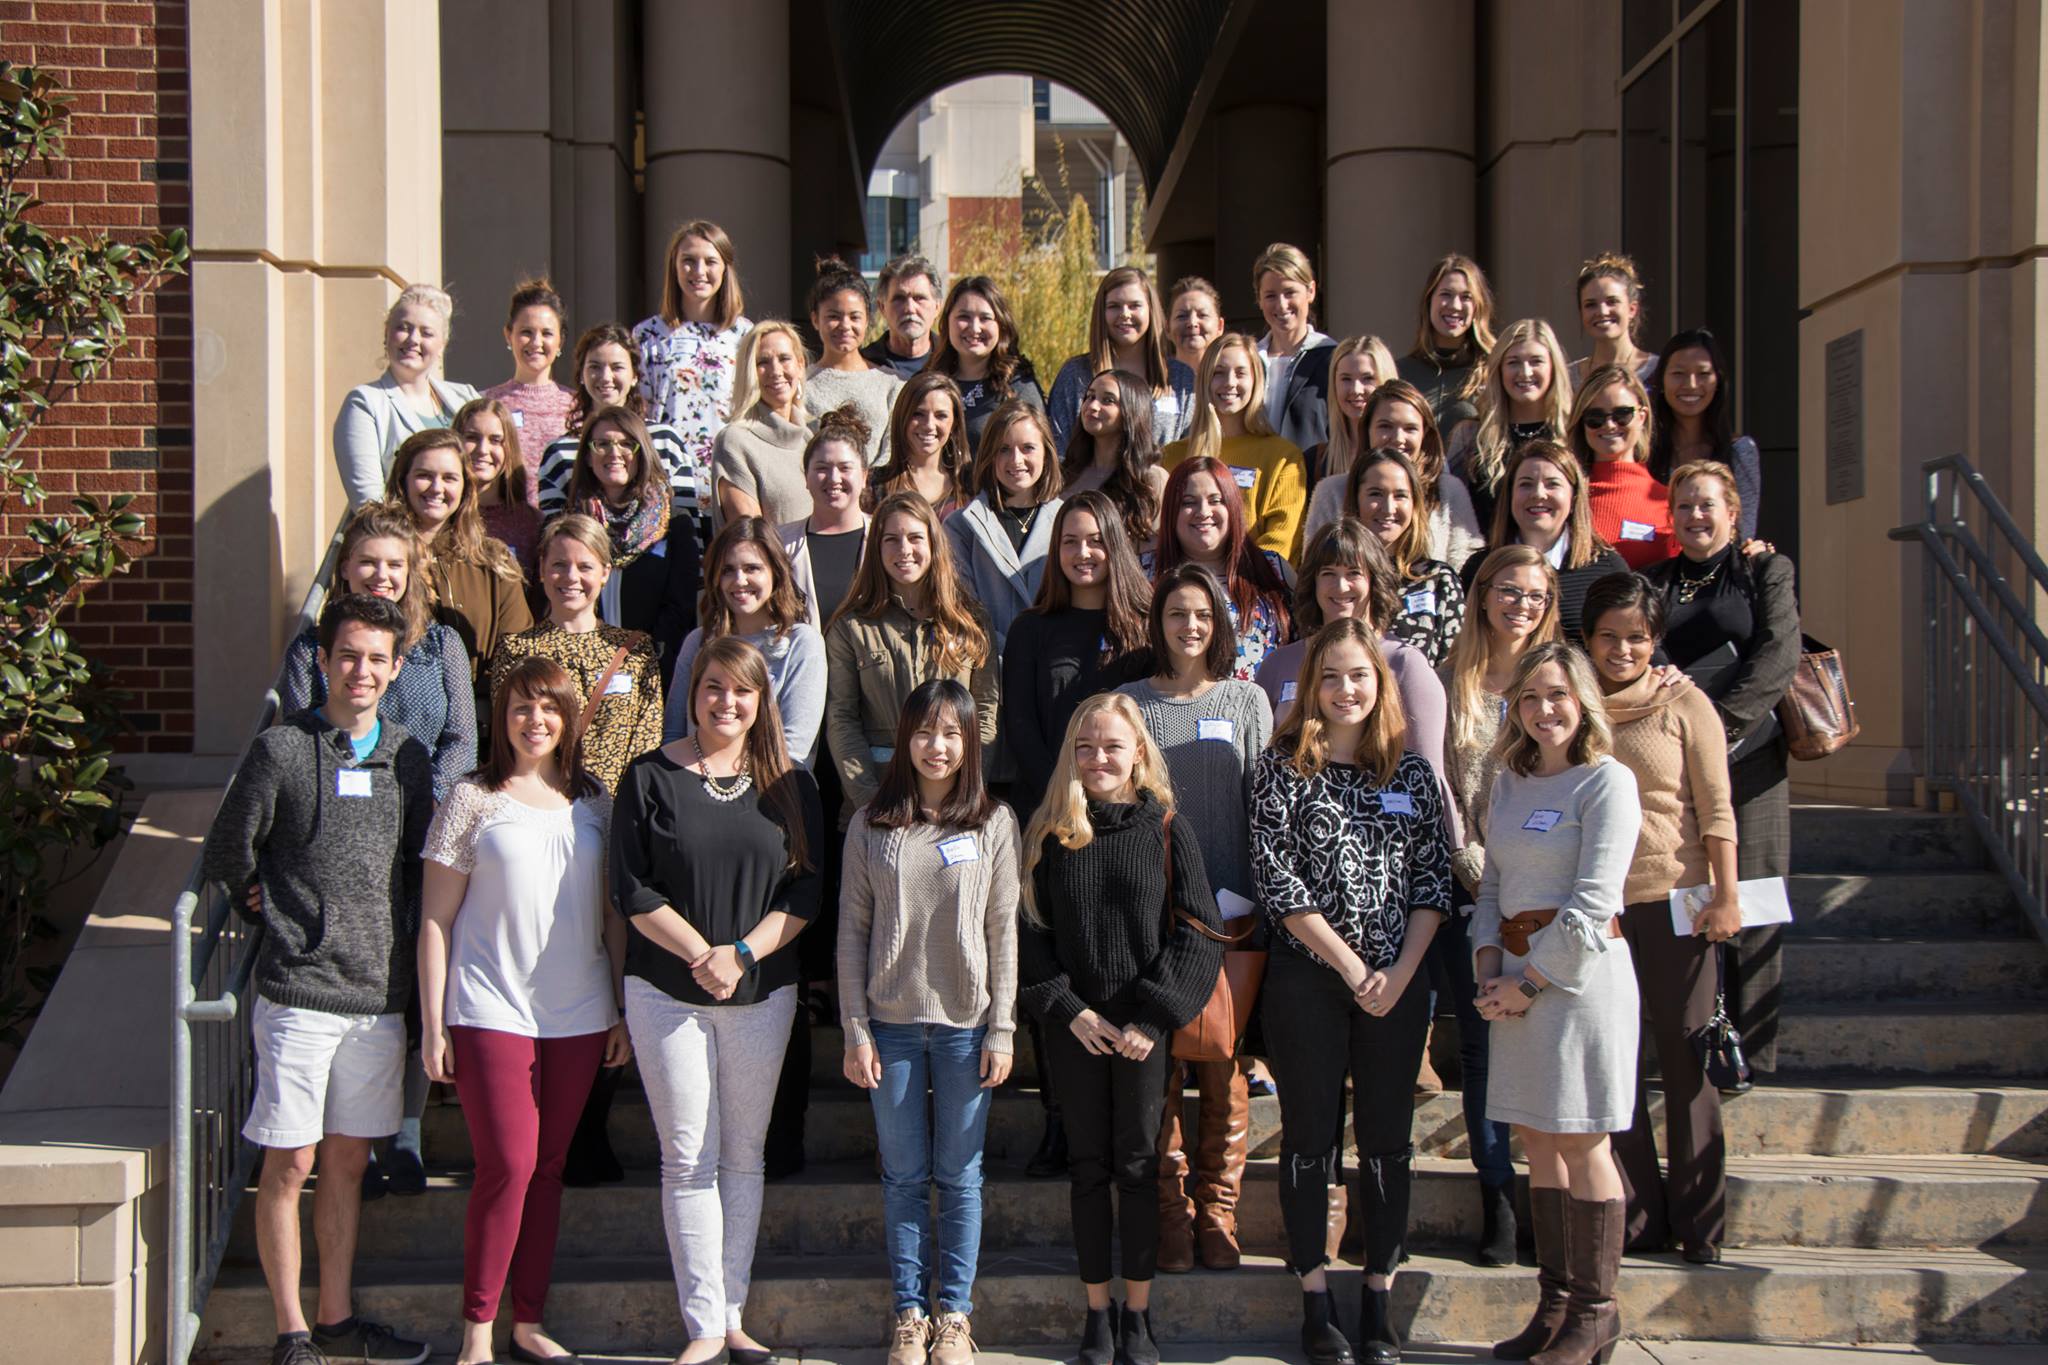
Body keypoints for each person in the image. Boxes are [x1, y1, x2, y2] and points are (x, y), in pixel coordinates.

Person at [202, 593, 433, 1365]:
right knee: (289, 1159)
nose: (360, 669)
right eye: (348, 654)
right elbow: (231, 848)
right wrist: (258, 897)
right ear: (325, 659)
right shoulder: (281, 750)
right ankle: (290, 1330)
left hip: (376, 998)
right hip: (299, 990)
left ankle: (334, 1317)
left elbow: (413, 871)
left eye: (376, 657)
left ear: (396, 667)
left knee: (344, 1161)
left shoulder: (407, 757)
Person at [613, 636, 823, 1365]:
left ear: (761, 700)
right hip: (666, 991)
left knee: (742, 1154)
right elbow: (632, 886)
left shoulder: (792, 783)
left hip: (761, 991)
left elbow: (806, 888)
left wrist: (740, 954)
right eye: (711, 687)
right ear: (692, 692)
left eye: (740, 691)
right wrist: (701, 953)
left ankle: (732, 1311)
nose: (724, 702)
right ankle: (703, 1321)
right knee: (687, 1156)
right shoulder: (647, 776)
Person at [417, 656, 630, 1365]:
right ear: (499, 715)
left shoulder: (595, 800)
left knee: (548, 1165)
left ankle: (527, 1318)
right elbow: (436, 921)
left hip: (579, 1010)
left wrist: (621, 1009)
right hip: (489, 1007)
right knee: (507, 1162)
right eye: (519, 706)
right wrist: (433, 1020)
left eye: (548, 708)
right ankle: (477, 1327)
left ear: (569, 719)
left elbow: (612, 916)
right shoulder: (471, 799)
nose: (534, 720)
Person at [1254, 618, 1452, 1365]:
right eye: (1330, 677)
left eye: (1359, 676)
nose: (1345, 689)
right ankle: (1315, 1297)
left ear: (1382, 686)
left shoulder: (1410, 773)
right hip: (1310, 976)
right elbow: (1280, 880)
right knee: (1310, 1139)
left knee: (1386, 1141)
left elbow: (1434, 883)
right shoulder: (1280, 768)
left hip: (1399, 980)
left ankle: (1378, 1295)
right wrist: (1346, 963)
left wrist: (1397, 974)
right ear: (1311, 688)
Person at [1018, 692, 1226, 1365]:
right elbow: (1028, 934)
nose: (1099, 758)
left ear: (1138, 751)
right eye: (1086, 747)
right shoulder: (1051, 832)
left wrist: (1154, 1014)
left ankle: (1138, 1315)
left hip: (1142, 1031)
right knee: (1087, 1168)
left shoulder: (1166, 827)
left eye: (1112, 745)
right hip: (1075, 1030)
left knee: (1138, 1166)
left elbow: (1199, 929)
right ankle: (1095, 1313)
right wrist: (1067, 1009)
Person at [838, 680, 1020, 1365]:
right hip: (889, 1025)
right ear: (905, 738)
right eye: (923, 731)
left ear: (970, 741)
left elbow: (1003, 928)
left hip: (966, 1025)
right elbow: (851, 930)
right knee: (905, 1176)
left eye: (951, 733)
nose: (936, 746)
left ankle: (955, 1316)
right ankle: (910, 1313)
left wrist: (1002, 1026)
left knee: (961, 1174)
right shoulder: (872, 821)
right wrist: (855, 1027)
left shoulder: (992, 822)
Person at [1473, 643, 1643, 1365]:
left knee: (1582, 1138)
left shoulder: (1607, 783)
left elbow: (1594, 901)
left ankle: (1597, 1311)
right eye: (1533, 697)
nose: (1546, 710)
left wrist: (1530, 983)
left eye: (1559, 695)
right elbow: (1490, 884)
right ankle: (1554, 1306)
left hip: (1576, 982)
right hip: (1510, 977)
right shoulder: (1507, 781)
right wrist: (1488, 967)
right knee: (1537, 1138)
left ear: (1583, 701)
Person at [1117, 564, 1274, 1274]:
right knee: (1167, 1063)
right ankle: (1172, 1213)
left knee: (1225, 1066)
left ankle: (1219, 1212)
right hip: (1158, 908)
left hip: (1235, 909)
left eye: (1204, 615)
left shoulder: (1246, 700)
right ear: (1159, 622)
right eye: (1177, 613)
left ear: (1221, 625)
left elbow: (1266, 805)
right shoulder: (1129, 703)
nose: (1190, 626)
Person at [1581, 573, 1741, 1265]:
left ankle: (1701, 1223)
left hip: (1677, 900)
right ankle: (1640, 1216)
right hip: (1600, 910)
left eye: (1637, 636)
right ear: (1587, 637)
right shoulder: (1573, 704)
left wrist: (1726, 895)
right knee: (1616, 1063)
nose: (1623, 649)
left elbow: (1716, 805)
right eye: (1609, 635)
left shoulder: (1683, 700)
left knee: (1685, 1064)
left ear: (1656, 639)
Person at [1646, 460, 1801, 1076]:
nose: (1695, 516)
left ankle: (1754, 1052)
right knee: (1688, 899)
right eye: (1684, 506)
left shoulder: (1764, 570)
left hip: (1752, 757)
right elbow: (1647, 651)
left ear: (1733, 514)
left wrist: (1722, 729)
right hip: (1676, 762)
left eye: (1707, 504)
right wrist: (1687, 737)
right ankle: (1698, 1038)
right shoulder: (1655, 582)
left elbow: (1778, 652)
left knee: (1754, 904)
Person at [1437, 544, 1561, 1266]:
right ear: (1483, 596)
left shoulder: (1560, 684)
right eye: (1509, 590)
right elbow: (1447, 788)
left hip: (1547, 896)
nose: (1521, 603)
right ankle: (1499, 1198)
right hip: (1472, 887)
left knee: (1544, 1041)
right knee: (1483, 1045)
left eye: (1537, 594)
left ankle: (1552, 1195)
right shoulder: (1452, 682)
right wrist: (1479, 870)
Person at [280, 501, 475, 804]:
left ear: (410, 571)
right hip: (340, 805)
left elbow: (462, 741)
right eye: (368, 562)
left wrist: (425, 798)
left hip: (423, 809)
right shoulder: (311, 650)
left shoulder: (441, 644)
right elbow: (300, 739)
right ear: (345, 567)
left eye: (395, 564)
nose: (381, 575)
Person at [825, 491, 1000, 815]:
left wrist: (968, 789)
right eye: (891, 539)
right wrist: (869, 800)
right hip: (880, 800)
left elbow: (985, 711)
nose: (904, 550)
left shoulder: (970, 622)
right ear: (876, 549)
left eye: (915, 538)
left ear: (934, 544)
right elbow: (841, 718)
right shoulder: (852, 627)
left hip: (955, 802)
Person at [1256, 519, 1449, 791]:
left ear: (1374, 580)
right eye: (1328, 573)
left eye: (1354, 573)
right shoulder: (1279, 665)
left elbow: (1431, 780)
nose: (1341, 586)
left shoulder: (1405, 665)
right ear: (1312, 581)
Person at [489, 514, 665, 796]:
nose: (571, 577)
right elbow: (511, 737)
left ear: (605, 573)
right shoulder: (517, 651)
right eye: (559, 565)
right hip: (543, 804)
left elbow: (647, 738)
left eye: (585, 567)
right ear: (543, 569)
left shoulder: (634, 650)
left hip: (618, 808)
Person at [1003, 492, 1153, 817]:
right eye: (1070, 542)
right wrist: (1063, 799)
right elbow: (1021, 727)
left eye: (1095, 540)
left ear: (1114, 544)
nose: (1082, 553)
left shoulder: (1145, 630)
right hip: (1049, 811)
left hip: (1125, 812)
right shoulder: (1029, 629)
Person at [385, 426, 533, 730]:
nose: (436, 488)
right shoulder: (380, 558)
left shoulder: (494, 561)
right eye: (424, 475)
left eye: (449, 478)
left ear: (466, 488)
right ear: (404, 481)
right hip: (389, 719)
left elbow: (516, 653)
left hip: (475, 727)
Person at [665, 518, 826, 769]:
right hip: (693, 788)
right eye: (728, 570)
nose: (739, 580)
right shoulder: (697, 642)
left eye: (752, 568)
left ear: (776, 571)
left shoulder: (802, 643)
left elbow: (794, 748)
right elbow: (674, 735)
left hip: (771, 792)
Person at [538, 322, 710, 554]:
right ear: (581, 375)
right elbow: (552, 540)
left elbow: (689, 529)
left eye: (617, 367)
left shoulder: (665, 442)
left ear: (635, 376)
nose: (605, 377)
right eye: (595, 367)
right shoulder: (558, 453)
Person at [558, 405, 702, 676]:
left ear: (642, 452)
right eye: (602, 444)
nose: (614, 453)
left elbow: (679, 609)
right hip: (582, 669)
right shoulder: (569, 525)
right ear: (588, 456)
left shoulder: (674, 524)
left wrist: (637, 659)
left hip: (653, 671)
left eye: (627, 444)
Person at [1159, 332, 1309, 559]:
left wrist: (1232, 583)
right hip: (1184, 587)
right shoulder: (1171, 457)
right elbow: (1159, 534)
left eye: (1240, 373)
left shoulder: (1283, 458)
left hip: (1252, 586)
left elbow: (1280, 543)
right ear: (1204, 380)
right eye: (1218, 373)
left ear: (1256, 381)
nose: (1229, 382)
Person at [633, 219, 754, 497]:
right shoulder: (648, 335)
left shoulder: (745, 335)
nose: (699, 271)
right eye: (688, 260)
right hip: (666, 483)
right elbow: (639, 415)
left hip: (730, 481)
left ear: (725, 268)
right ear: (674, 267)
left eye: (710, 261)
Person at [334, 283, 480, 508]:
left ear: (442, 345)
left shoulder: (466, 398)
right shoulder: (365, 403)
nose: (413, 339)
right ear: (386, 334)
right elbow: (369, 503)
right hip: (392, 537)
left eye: (426, 332)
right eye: (403, 327)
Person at [1152, 455, 1293, 682]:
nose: (1204, 511)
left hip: (1265, 712)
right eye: (1188, 502)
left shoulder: (1273, 569)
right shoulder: (1145, 574)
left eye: (1216, 500)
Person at [1470, 441, 1629, 641]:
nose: (1538, 493)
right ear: (1510, 495)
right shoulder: (1479, 567)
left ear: (1574, 496)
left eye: (1552, 484)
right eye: (1525, 484)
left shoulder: (1607, 569)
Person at [943, 401, 1066, 655]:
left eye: (1028, 448)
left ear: (1046, 452)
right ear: (989, 455)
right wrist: (1012, 654)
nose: (1016, 460)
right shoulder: (961, 526)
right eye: (1004, 449)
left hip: (1053, 664)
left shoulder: (1068, 521)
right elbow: (963, 608)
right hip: (988, 669)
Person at [1446, 318, 1576, 534]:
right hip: (1489, 562)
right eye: (1513, 362)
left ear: (1553, 367)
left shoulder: (1573, 433)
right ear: (1499, 369)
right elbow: (1451, 513)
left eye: (1536, 361)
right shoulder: (1470, 436)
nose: (1525, 372)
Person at [1046, 266, 1197, 449]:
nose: (1125, 314)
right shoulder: (1075, 376)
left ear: (1150, 310)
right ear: (1102, 313)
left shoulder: (1181, 379)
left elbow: (1191, 453)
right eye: (1114, 306)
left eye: (1134, 305)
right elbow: (1057, 451)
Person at [1346, 448, 1467, 665]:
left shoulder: (1438, 580)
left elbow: (1454, 665)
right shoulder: (1336, 577)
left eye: (1400, 496)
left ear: (1414, 504)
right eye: (1375, 494)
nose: (1388, 508)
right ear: (1356, 500)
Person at [1355, 379, 1484, 572]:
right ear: (1367, 430)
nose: (1398, 438)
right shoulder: (1334, 490)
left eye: (1410, 429)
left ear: (1425, 434)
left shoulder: (1448, 491)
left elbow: (1466, 568)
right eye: (1385, 426)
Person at [1647, 328, 1762, 540]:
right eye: (1678, 374)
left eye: (1703, 374)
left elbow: (1744, 536)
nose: (1691, 385)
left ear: (1718, 381)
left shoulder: (1740, 451)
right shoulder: (1642, 450)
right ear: (1661, 381)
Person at [712, 319, 816, 527]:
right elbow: (751, 537)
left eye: (784, 358)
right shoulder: (735, 441)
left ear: (800, 365)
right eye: (762, 362)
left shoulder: (810, 440)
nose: (775, 371)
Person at [923, 274, 1045, 449]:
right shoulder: (928, 380)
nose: (974, 328)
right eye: (964, 317)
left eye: (985, 318)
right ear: (947, 321)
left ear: (1001, 325)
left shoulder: (1019, 387)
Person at [1571, 364, 1674, 570]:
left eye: (1622, 414)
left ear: (1641, 417)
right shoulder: (1566, 496)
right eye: (1595, 418)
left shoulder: (1670, 501)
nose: (1609, 425)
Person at [803, 255, 903, 465]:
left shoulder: (892, 384)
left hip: (880, 494)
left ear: (868, 319)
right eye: (833, 316)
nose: (844, 325)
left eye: (854, 317)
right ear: (815, 319)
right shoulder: (799, 384)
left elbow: (893, 453)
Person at [1301, 334, 1400, 540]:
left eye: (1367, 379)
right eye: (1346, 379)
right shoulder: (1316, 461)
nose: (1356, 390)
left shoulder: (1405, 452)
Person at [781, 413, 873, 632]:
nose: (834, 478)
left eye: (844, 468)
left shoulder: (886, 539)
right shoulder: (778, 544)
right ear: (806, 477)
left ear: (864, 477)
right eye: (822, 468)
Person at [1059, 368, 1169, 547]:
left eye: (1108, 400)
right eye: (1090, 396)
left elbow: (1158, 552)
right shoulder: (1066, 473)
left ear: (1132, 411)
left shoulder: (1151, 479)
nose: (1092, 406)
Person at [481, 277, 577, 474]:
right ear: (509, 335)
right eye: (526, 332)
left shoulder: (578, 406)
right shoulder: (486, 402)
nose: (536, 342)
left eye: (547, 333)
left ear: (560, 341)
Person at [1394, 253, 1497, 432]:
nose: (1455, 305)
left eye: (1466, 297)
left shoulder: (1494, 370)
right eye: (1445, 294)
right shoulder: (1400, 373)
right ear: (1429, 301)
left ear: (1477, 307)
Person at [1251, 243, 1337, 453]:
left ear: (1310, 291)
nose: (1281, 305)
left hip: (1307, 480)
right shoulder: (1247, 359)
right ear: (1259, 299)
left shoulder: (1331, 357)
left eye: (1290, 292)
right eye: (1270, 295)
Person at [456, 397, 544, 578]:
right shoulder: (442, 517)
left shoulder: (531, 523)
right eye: (472, 438)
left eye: (495, 440)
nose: (482, 449)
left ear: (509, 449)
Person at [869, 371, 971, 519]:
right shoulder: (875, 483)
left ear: (954, 424)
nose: (929, 425)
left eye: (940, 415)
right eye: (918, 414)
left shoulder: (970, 484)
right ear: (902, 416)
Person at [1570, 253, 1659, 388]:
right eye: (1590, 305)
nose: (1602, 312)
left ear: (1632, 309)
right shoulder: (1568, 378)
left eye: (1612, 302)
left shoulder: (1659, 371)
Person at [861, 254, 944, 380]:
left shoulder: (954, 361)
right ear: (882, 307)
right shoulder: (864, 365)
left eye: (919, 298)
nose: (910, 308)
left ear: (937, 307)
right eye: (899, 299)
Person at [1165, 276, 1224, 376]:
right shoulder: (1154, 382)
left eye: (1203, 315)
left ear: (1219, 326)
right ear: (1167, 328)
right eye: (1182, 316)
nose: (1192, 323)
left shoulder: (1231, 381)